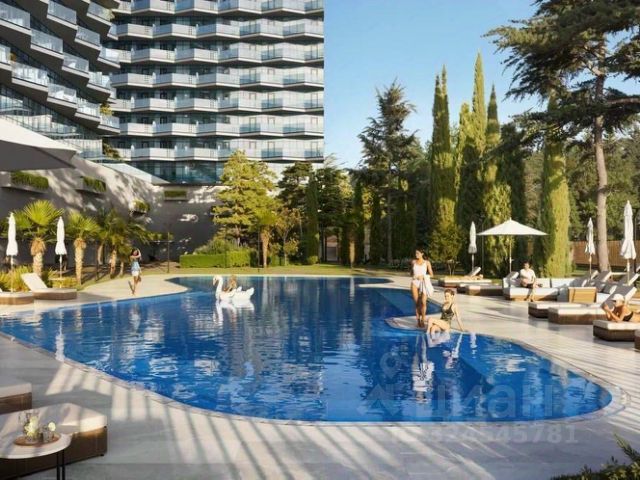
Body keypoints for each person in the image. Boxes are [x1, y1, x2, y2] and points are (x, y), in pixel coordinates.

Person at [410, 249, 434, 329]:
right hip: (415, 284)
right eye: (415, 253)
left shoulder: (427, 263)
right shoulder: (413, 262)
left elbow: (432, 275)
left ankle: (423, 319)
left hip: (424, 283)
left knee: (423, 302)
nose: (416, 254)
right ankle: (418, 321)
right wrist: (413, 276)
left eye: (418, 253)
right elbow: (411, 273)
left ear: (422, 253)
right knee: (417, 303)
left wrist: (423, 276)